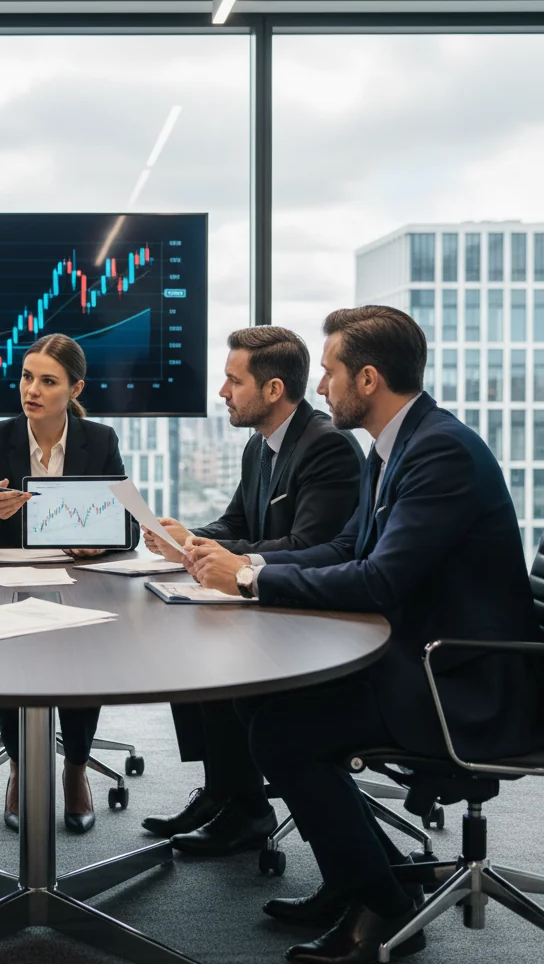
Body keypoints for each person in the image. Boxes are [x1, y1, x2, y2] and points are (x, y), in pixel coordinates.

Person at [187, 306, 543, 964]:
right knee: (258, 701)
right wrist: (251, 568)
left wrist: (250, 582)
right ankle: (360, 882)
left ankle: (380, 906)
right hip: (420, 656)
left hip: (460, 680)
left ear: (370, 379)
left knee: (282, 731)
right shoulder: (397, 444)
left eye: (329, 373)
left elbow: (379, 582)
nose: (320, 388)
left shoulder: (439, 451)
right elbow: (348, 547)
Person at [139, 327, 363, 856]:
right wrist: (190, 539)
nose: (222, 393)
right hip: (275, 598)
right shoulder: (259, 446)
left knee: (219, 659)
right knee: (192, 640)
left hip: (315, 613)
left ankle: (246, 808)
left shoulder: (327, 445)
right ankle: (226, 794)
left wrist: (232, 564)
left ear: (273, 389)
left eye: (232, 381)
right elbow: (236, 520)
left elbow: (312, 544)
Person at [0, 333, 139, 834]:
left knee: (85, 657)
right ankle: (19, 764)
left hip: (79, 579)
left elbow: (132, 527)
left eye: (48, 381)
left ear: (75, 389)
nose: (31, 389)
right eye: (27, 377)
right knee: (8, 655)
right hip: (9, 578)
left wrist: (103, 541)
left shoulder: (98, 440)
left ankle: (75, 766)